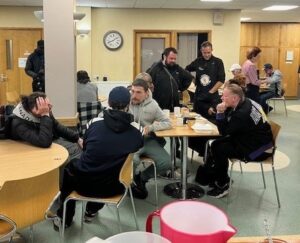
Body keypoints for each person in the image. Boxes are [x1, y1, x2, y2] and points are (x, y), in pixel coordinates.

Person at [54, 86, 143, 229]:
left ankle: (65, 218)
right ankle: (92, 210)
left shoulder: (93, 123)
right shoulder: (138, 130)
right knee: (111, 167)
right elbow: (136, 146)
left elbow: (86, 146)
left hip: (84, 186)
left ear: (108, 102)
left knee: (71, 167)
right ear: (128, 105)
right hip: (116, 187)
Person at [197, 84, 273, 198]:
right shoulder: (247, 101)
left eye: (225, 96)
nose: (222, 98)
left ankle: (223, 185)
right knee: (216, 144)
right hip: (257, 139)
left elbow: (224, 131)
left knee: (219, 148)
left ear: (235, 98)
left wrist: (220, 113)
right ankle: (221, 177)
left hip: (260, 150)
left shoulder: (241, 114)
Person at [129, 79, 172, 199]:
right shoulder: (126, 102)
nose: (134, 95)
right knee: (133, 160)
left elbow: (168, 123)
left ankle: (141, 178)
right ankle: (127, 183)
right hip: (130, 140)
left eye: (138, 92)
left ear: (146, 93)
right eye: (132, 91)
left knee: (166, 163)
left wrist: (152, 127)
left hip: (147, 140)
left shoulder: (153, 105)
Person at [10, 92, 82, 160]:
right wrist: (45, 115)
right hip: (33, 148)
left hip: (45, 139)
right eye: (47, 106)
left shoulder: (44, 111)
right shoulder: (18, 123)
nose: (50, 107)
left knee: (78, 145)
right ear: (35, 109)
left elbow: (57, 126)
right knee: (75, 150)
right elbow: (44, 142)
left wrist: (77, 138)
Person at [186, 41, 225, 121]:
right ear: (201, 51)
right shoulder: (198, 61)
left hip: (212, 96)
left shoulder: (218, 62)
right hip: (199, 95)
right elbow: (187, 69)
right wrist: (193, 80)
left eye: (208, 52)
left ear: (212, 50)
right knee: (197, 119)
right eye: (204, 53)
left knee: (211, 121)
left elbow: (221, 80)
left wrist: (211, 92)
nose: (207, 55)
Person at [147, 47, 193, 111]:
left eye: (175, 59)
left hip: (174, 107)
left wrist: (181, 88)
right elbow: (147, 82)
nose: (173, 61)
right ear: (164, 57)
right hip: (159, 106)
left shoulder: (177, 68)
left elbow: (189, 77)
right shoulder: (155, 68)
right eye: (171, 58)